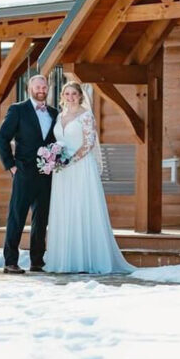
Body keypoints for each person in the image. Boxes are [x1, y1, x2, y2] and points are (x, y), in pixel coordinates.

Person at [44, 81, 134, 274]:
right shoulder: (60, 116)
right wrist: (54, 156)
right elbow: (59, 141)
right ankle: (66, 260)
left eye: (73, 94)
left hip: (81, 167)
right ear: (62, 96)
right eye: (67, 94)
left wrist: (70, 160)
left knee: (82, 207)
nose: (70, 97)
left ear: (80, 96)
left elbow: (89, 144)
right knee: (65, 209)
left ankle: (87, 259)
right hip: (62, 172)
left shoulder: (86, 116)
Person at [0, 74, 58, 274]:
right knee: (17, 216)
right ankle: (10, 261)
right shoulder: (18, 109)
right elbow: (2, 138)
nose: (41, 90)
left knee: (41, 219)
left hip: (47, 173)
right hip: (23, 171)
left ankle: (37, 261)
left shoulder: (54, 113)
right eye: (37, 87)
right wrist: (11, 165)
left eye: (44, 87)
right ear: (29, 89)